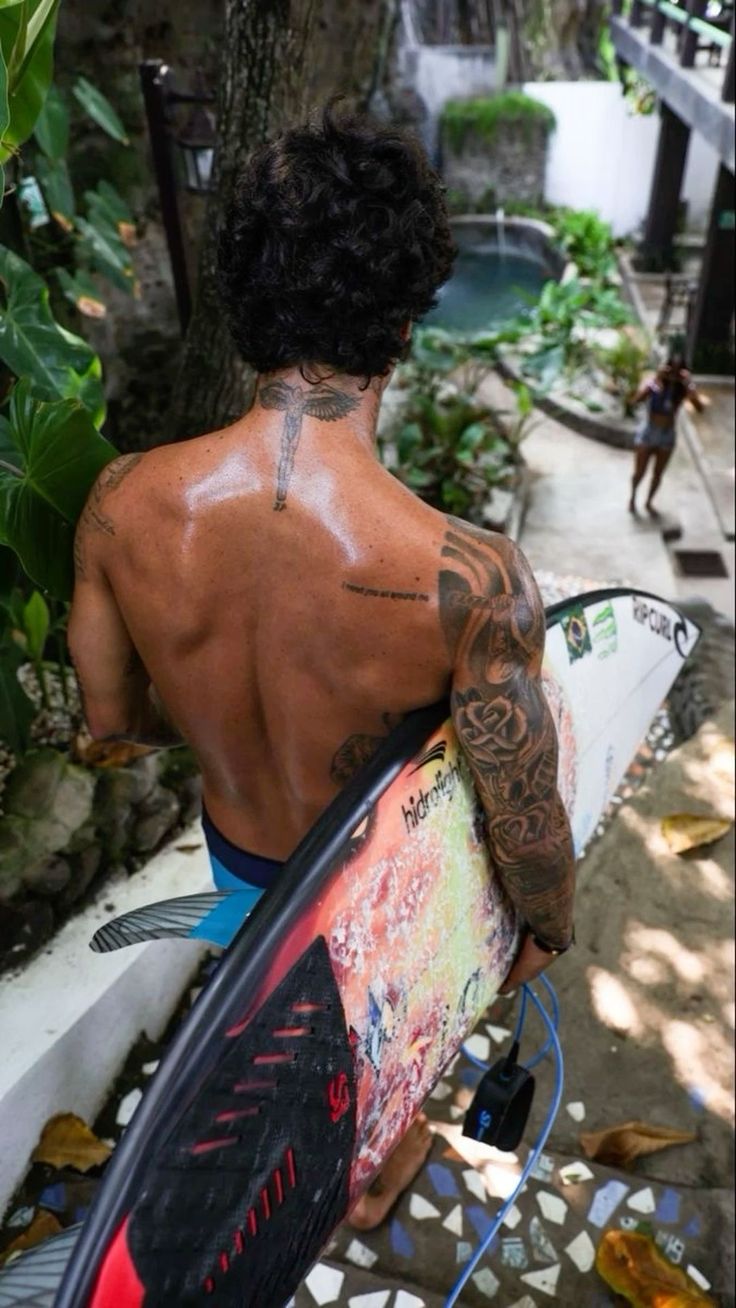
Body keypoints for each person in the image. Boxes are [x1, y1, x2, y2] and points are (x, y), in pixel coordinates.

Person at [68, 105, 575, 1231]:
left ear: (241, 298)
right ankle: (367, 1180)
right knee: (373, 1043)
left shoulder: (118, 508)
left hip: (247, 867)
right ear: (405, 317)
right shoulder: (472, 580)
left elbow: (113, 722)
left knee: (279, 1026)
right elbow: (526, 822)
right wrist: (539, 930)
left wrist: (224, 707)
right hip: (379, 897)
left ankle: (292, 1157)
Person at [629, 352, 706, 516]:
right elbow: (636, 400)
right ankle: (633, 497)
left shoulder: (682, 389)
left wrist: (689, 384)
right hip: (649, 431)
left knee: (658, 473)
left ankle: (649, 502)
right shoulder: (654, 384)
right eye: (671, 369)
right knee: (639, 472)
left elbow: (699, 408)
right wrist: (656, 379)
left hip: (667, 435)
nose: (673, 375)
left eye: (677, 371)